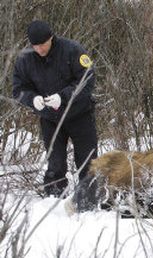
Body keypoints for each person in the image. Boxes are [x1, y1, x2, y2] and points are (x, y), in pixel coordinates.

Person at [12, 20, 98, 197]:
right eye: (35, 46)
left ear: (51, 38)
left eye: (43, 44)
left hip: (79, 115)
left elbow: (87, 79)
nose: (40, 49)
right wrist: (32, 99)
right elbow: (18, 88)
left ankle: (88, 199)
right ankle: (54, 198)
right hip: (50, 118)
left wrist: (64, 97)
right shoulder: (25, 59)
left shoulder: (72, 50)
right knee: (55, 163)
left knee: (87, 160)